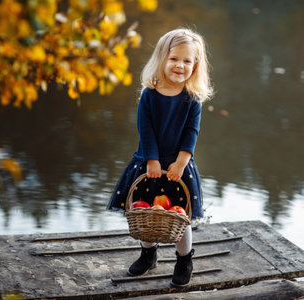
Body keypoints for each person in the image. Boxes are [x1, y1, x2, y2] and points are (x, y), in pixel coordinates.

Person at [107, 28, 213, 287]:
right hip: (149, 161)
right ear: (162, 59)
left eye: (187, 61)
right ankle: (148, 254)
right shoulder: (149, 95)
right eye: (174, 58)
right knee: (145, 210)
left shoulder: (192, 99)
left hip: (179, 165)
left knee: (180, 216)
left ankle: (184, 258)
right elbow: (146, 130)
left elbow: (192, 132)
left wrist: (181, 162)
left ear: (195, 65)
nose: (180, 65)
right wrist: (152, 160)